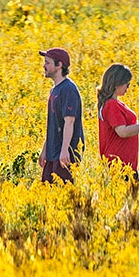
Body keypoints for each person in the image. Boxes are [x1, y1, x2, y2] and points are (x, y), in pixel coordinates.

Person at [95, 62, 139, 171]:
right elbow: (123, 132)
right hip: (120, 166)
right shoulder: (112, 105)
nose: (128, 87)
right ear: (117, 83)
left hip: (124, 164)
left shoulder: (115, 103)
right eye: (127, 83)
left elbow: (125, 127)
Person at [39, 47, 85, 183]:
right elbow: (54, 124)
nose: (44, 66)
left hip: (64, 154)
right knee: (47, 193)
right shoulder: (55, 90)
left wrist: (65, 150)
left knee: (64, 194)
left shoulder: (68, 89)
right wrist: (45, 150)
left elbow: (69, 122)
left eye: (47, 63)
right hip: (53, 152)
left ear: (59, 65)